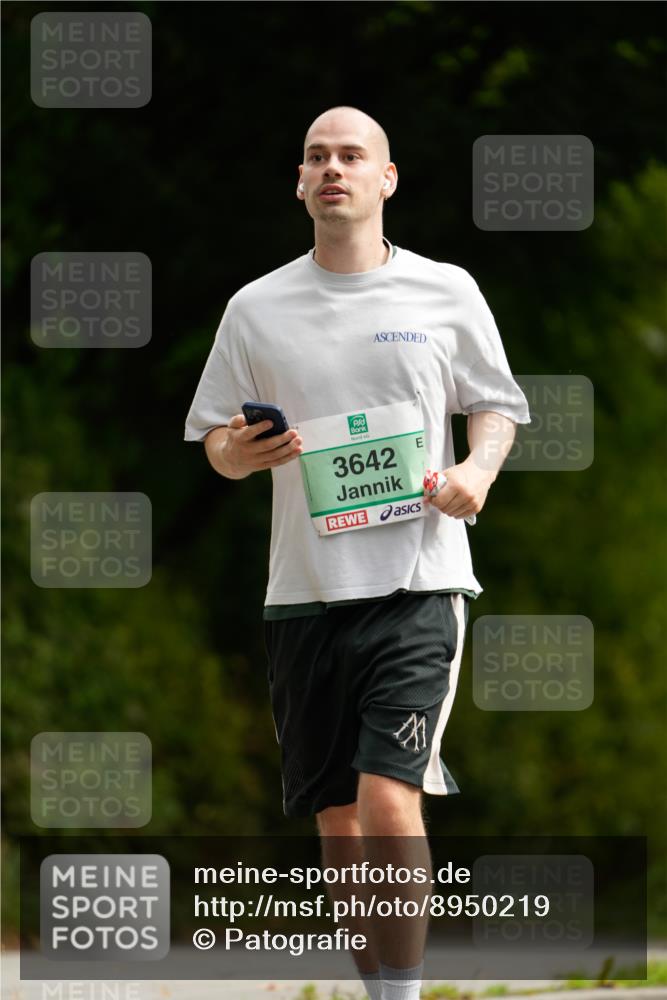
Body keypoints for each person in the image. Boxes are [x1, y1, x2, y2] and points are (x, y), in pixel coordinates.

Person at [184, 105, 530, 1000]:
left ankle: (403, 997)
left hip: (418, 579)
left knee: (386, 799)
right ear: (299, 183)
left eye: (351, 155)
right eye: (315, 156)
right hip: (303, 591)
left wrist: (475, 471)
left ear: (386, 180)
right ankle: (377, 990)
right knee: (338, 823)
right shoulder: (255, 308)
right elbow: (215, 444)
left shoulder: (444, 291)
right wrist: (240, 449)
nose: (331, 168)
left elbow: (497, 405)